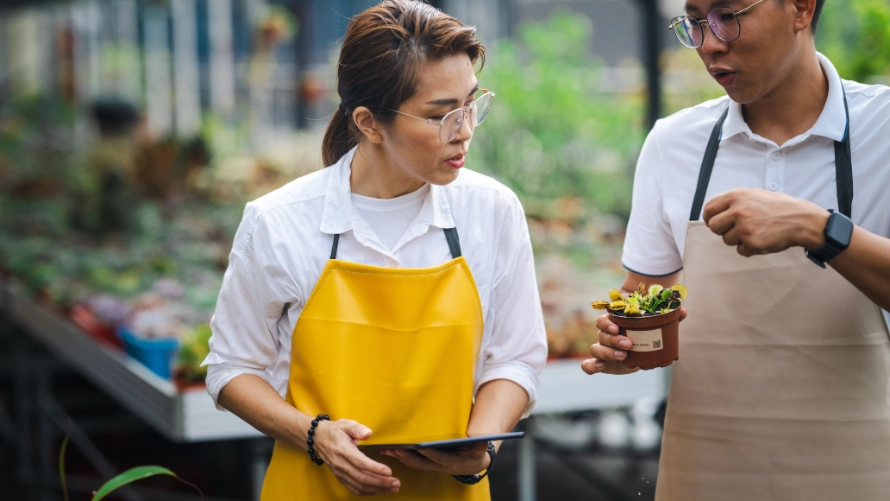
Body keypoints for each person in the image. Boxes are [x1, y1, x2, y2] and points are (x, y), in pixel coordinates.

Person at [202, 1, 547, 499]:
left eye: (472, 104)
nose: (466, 129)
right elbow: (232, 368)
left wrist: (480, 449)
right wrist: (315, 436)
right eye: (441, 115)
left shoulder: (492, 211)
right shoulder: (279, 221)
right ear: (368, 123)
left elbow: (514, 359)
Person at [583, 0, 890, 499]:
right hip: (707, 469)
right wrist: (627, 346)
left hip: (858, 470)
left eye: (729, 14)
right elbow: (645, 306)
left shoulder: (883, 129)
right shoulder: (674, 143)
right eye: (696, 22)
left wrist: (820, 228)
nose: (709, 43)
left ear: (801, 9)